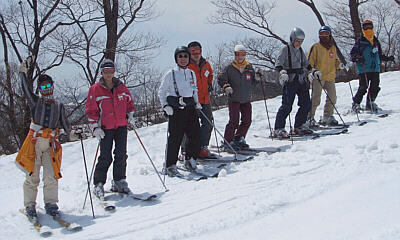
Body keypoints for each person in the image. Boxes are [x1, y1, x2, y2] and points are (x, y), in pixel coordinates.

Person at [16, 56, 78, 219]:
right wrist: (23, 72)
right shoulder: (35, 103)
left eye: (48, 86)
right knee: (32, 175)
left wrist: (72, 133)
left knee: (51, 175)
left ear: (52, 87)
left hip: (50, 144)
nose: (46, 89)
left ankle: (51, 203)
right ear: (40, 89)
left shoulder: (59, 106)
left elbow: (65, 124)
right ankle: (30, 205)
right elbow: (25, 90)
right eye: (42, 87)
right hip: (34, 144)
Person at [86, 59, 135, 199]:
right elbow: (91, 110)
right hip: (105, 128)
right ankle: (99, 184)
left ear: (114, 72)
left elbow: (129, 102)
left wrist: (130, 114)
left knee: (121, 154)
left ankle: (119, 180)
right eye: (106, 71)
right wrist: (95, 127)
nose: (108, 74)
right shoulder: (95, 89)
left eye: (111, 71)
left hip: (121, 126)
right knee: (105, 156)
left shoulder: (121, 86)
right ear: (102, 72)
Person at [158, 46, 202, 177]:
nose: (183, 59)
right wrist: (165, 106)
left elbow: (194, 89)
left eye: (185, 56)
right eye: (180, 56)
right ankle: (170, 165)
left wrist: (197, 102)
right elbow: (161, 91)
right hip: (176, 109)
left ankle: (190, 158)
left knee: (195, 134)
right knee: (175, 137)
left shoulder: (191, 73)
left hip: (190, 106)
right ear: (176, 58)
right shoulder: (170, 73)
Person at [272, 27, 316, 138]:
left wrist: (313, 72)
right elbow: (278, 64)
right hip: (290, 80)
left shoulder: (300, 50)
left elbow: (306, 64)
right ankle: (278, 128)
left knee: (306, 104)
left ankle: (299, 125)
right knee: (287, 105)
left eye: (301, 41)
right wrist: (282, 72)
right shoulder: (285, 49)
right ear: (292, 39)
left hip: (300, 80)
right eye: (297, 41)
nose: (299, 43)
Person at [217, 44, 258, 150]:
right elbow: (221, 78)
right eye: (238, 54)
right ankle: (227, 141)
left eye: (242, 54)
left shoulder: (249, 68)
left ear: (245, 55)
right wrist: (226, 86)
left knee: (247, 120)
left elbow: (252, 82)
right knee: (234, 121)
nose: (240, 57)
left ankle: (239, 138)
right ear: (235, 55)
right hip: (234, 98)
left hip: (246, 98)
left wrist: (257, 78)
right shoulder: (230, 68)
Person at [350, 19, 395, 113]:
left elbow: (379, 54)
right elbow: (353, 54)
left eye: (369, 26)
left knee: (375, 87)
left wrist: (388, 59)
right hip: (364, 68)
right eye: (366, 26)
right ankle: (356, 104)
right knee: (363, 87)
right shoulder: (360, 41)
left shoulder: (375, 41)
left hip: (375, 68)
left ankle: (370, 103)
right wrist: (358, 57)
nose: (368, 28)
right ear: (363, 28)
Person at [180, 41, 215, 159]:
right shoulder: (186, 66)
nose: (195, 54)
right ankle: (185, 150)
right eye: (193, 51)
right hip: (191, 101)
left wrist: (209, 84)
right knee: (189, 126)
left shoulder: (206, 64)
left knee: (208, 123)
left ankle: (202, 147)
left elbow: (210, 75)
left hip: (205, 100)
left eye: (198, 51)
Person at [307, 26, 342, 126]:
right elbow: (309, 62)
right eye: (321, 34)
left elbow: (335, 61)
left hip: (330, 76)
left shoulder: (333, 48)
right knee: (315, 98)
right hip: (318, 76)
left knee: (332, 97)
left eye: (326, 33)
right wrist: (311, 72)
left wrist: (340, 65)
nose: (324, 36)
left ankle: (327, 116)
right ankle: (310, 117)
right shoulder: (316, 47)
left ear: (329, 35)